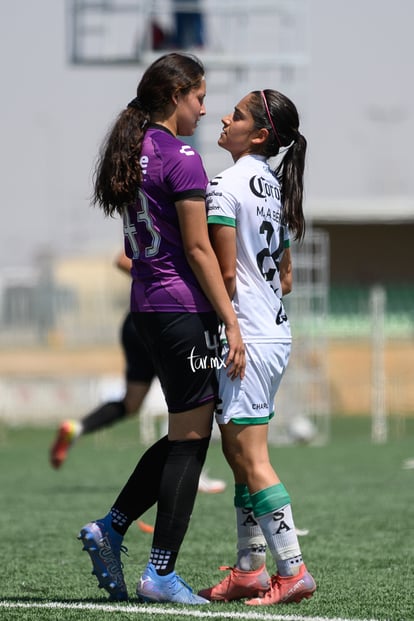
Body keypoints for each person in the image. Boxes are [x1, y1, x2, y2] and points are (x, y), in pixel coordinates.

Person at [78, 52, 245, 605]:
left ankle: (112, 528)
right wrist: (230, 322)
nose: (204, 109)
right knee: (192, 443)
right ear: (176, 95)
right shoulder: (182, 156)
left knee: (183, 434)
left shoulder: (134, 148)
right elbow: (198, 249)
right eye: (199, 97)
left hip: (147, 306)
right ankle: (160, 573)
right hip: (182, 311)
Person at [197, 89, 316, 605]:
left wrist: (232, 327)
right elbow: (285, 278)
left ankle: (293, 571)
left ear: (260, 135)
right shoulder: (273, 186)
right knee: (237, 452)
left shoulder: (225, 185)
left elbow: (222, 271)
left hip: (244, 335)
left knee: (251, 455)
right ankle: (249, 570)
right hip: (274, 331)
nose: (225, 116)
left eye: (238, 114)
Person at [49, 251, 226, 495]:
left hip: (138, 320)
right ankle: (188, 473)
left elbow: (122, 258)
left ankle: (77, 427)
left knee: (132, 402)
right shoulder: (185, 225)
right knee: (188, 398)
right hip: (169, 319)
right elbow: (122, 259)